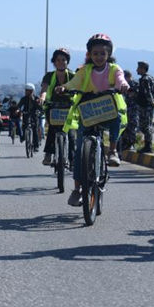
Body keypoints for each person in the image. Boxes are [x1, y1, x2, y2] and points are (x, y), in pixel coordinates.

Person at [56, 33, 129, 207]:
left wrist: (123, 86)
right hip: (88, 112)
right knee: (81, 150)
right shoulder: (85, 70)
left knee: (116, 118)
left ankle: (112, 150)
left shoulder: (114, 68)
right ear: (90, 54)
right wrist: (64, 88)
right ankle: (77, 189)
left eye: (102, 53)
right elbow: (74, 83)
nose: (98, 57)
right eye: (95, 53)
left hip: (108, 109)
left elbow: (120, 80)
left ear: (108, 54)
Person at [39, 47, 76, 165]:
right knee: (52, 129)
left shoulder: (73, 75)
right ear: (54, 62)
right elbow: (44, 89)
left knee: (71, 134)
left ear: (67, 61)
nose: (61, 62)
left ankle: (72, 159)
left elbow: (78, 88)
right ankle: (48, 154)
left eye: (63, 60)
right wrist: (42, 98)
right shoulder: (49, 76)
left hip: (69, 107)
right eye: (58, 60)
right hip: (53, 106)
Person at [135, 61, 154, 152]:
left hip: (145, 106)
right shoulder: (151, 78)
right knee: (146, 125)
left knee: (145, 126)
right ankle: (147, 145)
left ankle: (148, 146)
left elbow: (147, 92)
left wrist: (151, 102)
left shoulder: (144, 79)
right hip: (147, 106)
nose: (137, 70)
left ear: (143, 69)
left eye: (139, 68)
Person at [17, 83, 42, 149]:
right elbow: (19, 105)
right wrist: (18, 110)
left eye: (27, 90)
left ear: (31, 91)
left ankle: (36, 146)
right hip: (26, 114)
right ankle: (23, 137)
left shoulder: (36, 98)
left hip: (34, 115)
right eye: (25, 90)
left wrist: (35, 101)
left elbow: (40, 107)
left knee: (35, 129)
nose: (25, 92)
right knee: (24, 126)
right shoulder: (23, 98)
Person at [120, 69, 139, 152]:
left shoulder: (134, 84)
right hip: (125, 108)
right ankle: (125, 143)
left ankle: (131, 144)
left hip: (133, 108)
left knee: (132, 126)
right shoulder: (123, 84)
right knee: (125, 127)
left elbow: (135, 94)